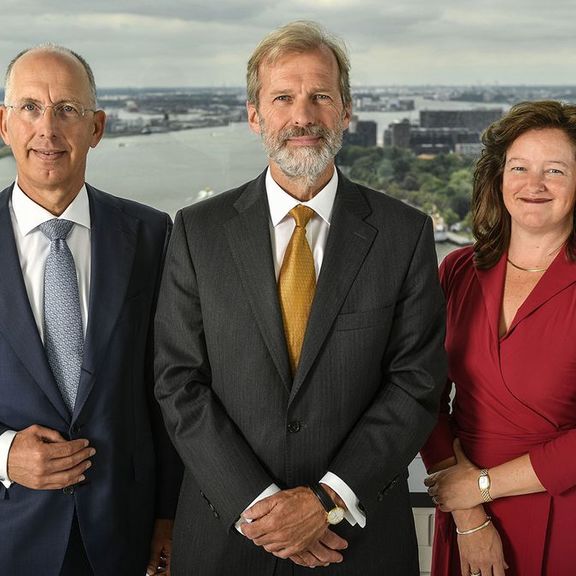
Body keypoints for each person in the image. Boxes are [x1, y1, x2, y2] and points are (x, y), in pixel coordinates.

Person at [154, 20, 446, 575]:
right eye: (283, 97)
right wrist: (261, 507)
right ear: (254, 114)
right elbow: (177, 381)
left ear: (346, 110)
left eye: (320, 97)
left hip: (357, 543)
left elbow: (417, 382)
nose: (303, 116)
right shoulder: (197, 231)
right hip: (227, 537)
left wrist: (327, 500)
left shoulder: (403, 232)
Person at [0, 45, 181, 575]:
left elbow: (171, 388)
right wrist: (5, 454)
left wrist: (168, 517)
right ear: (3, 124)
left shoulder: (151, 235)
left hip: (122, 535)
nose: (48, 130)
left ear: (97, 127)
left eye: (68, 110)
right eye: (30, 107)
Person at [422, 100, 576, 576]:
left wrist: (481, 486)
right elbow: (421, 392)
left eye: (556, 169)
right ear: (498, 178)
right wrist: (468, 513)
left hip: (564, 506)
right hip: (465, 510)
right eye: (519, 167)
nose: (535, 184)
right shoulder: (458, 270)